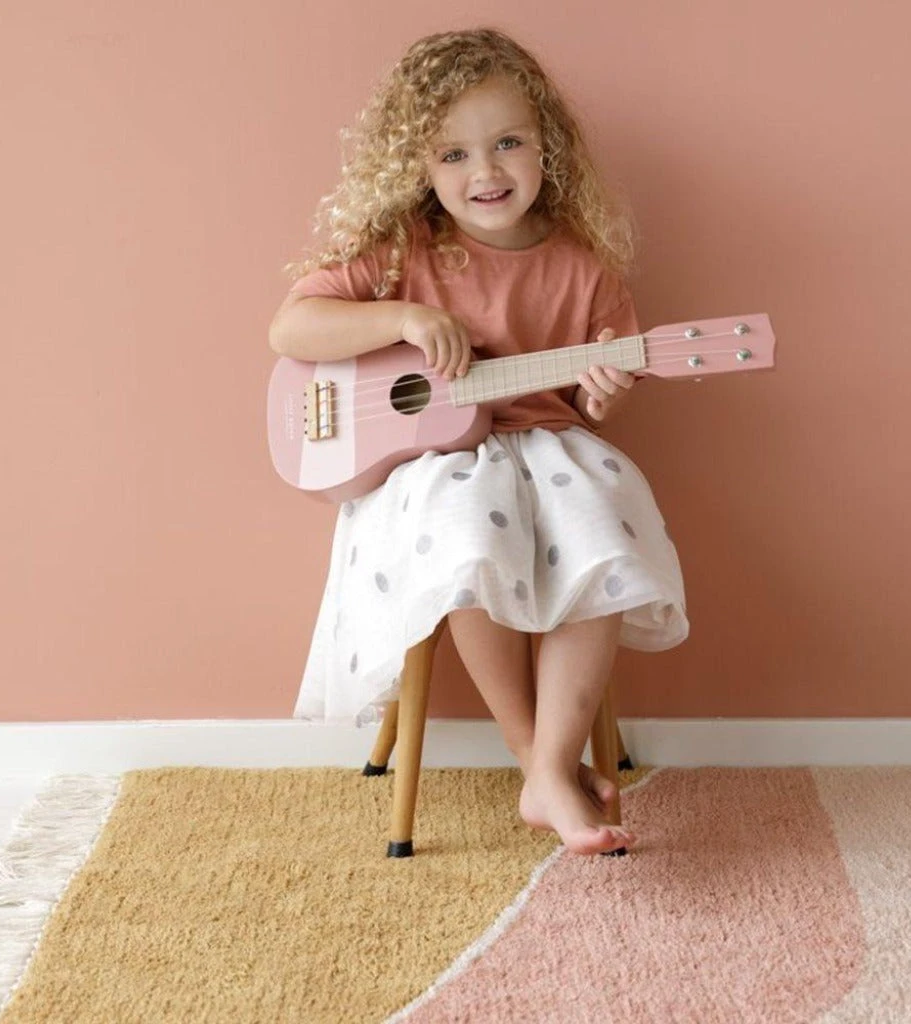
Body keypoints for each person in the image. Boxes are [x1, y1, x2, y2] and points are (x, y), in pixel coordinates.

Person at [269, 28, 688, 856]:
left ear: (547, 148)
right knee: (464, 528)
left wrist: (602, 394)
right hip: (432, 468)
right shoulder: (404, 254)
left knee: (603, 528)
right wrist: (402, 317)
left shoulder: (584, 271)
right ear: (419, 167)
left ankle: (552, 762)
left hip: (547, 449)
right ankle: (536, 757)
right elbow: (292, 326)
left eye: (507, 145)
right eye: (454, 154)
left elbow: (590, 397)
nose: (485, 173)